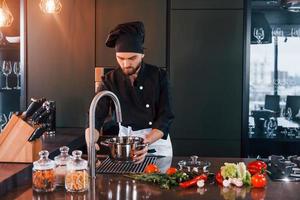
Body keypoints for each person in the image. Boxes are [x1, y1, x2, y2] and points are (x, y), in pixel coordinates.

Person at [85, 21, 174, 163]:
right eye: (121, 58)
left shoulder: (158, 76)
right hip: (125, 145)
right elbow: (95, 117)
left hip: (156, 143)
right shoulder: (110, 80)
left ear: (142, 54)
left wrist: (145, 142)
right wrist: (90, 141)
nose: (126, 64)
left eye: (132, 58)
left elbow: (166, 117)